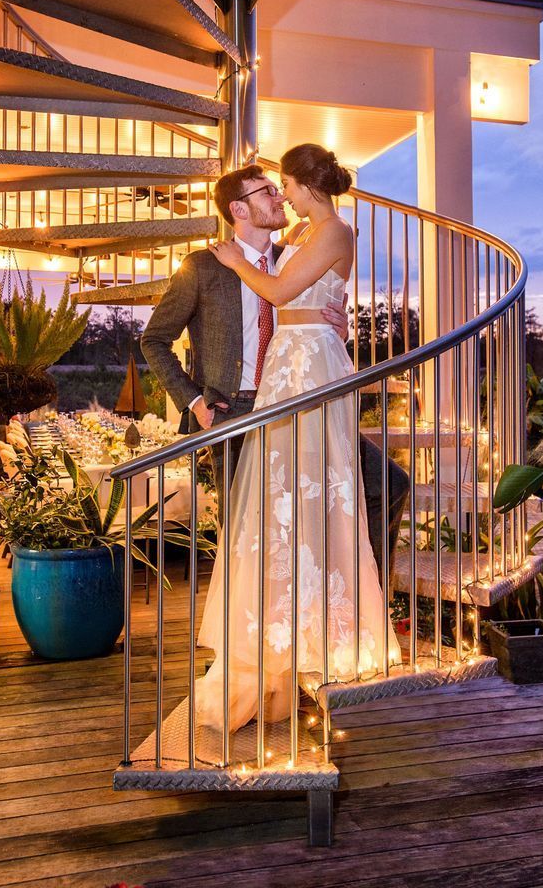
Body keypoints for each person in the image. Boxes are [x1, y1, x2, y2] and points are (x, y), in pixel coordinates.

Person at [193, 144, 402, 731]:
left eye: (284, 183)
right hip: (289, 363)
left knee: (316, 493)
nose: (280, 194)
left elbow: (282, 294)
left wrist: (235, 259)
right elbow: (295, 291)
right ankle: (280, 640)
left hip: (311, 364)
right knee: (279, 504)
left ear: (305, 183)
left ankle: (322, 641)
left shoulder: (335, 230)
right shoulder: (306, 235)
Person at [140, 162, 408, 575]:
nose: (280, 196)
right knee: (245, 533)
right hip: (236, 410)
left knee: (386, 484)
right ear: (239, 210)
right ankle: (250, 630)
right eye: (267, 191)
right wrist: (194, 402)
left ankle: (361, 597)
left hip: (301, 402)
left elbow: (314, 315)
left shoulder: (298, 255)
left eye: (278, 187)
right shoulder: (203, 267)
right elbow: (153, 340)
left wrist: (341, 324)